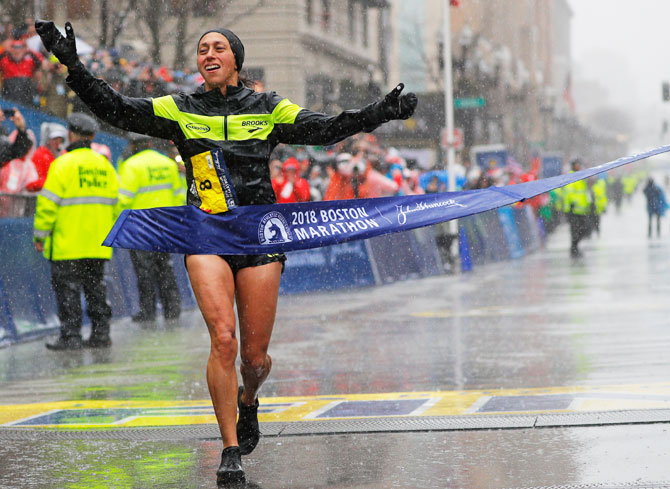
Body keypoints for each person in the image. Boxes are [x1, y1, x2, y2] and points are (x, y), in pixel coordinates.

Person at [35, 19, 416, 485]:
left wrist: (380, 112)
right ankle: (230, 447)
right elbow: (116, 109)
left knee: (254, 359)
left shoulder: (268, 106)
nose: (208, 54)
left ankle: (249, 399)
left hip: (258, 236)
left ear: (236, 58)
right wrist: (71, 64)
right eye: (202, 49)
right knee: (223, 339)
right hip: (206, 233)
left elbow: (325, 129)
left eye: (218, 48)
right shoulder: (179, 106)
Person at [33, 113, 118, 350]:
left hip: (67, 244)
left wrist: (40, 236)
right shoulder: (105, 166)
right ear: (92, 137)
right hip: (98, 244)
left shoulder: (62, 164)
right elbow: (116, 207)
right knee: (96, 289)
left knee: (68, 292)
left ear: (71, 134)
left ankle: (71, 337)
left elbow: (47, 206)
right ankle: (101, 335)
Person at [117, 133, 183, 322]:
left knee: (144, 271)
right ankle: (172, 307)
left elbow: (123, 200)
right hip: (164, 227)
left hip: (140, 229)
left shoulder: (131, 166)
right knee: (165, 268)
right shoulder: (168, 164)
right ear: (151, 143)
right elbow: (178, 195)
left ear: (131, 145)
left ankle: (148, 311)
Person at [0, 38, 45, 105]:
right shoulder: (5, 62)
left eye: (20, 50)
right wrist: (6, 50)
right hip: (8, 98)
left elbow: (40, 61)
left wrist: (29, 51)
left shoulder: (29, 63)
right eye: (14, 49)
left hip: (25, 99)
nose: (17, 52)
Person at [25, 122, 67, 192]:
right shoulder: (40, 154)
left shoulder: (64, 155)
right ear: (48, 140)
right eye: (54, 139)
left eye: (60, 140)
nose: (57, 143)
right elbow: (32, 182)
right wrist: (53, 182)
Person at [563, 159, 592, 258]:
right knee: (575, 231)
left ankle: (575, 248)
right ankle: (574, 249)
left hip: (581, 210)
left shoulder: (581, 177)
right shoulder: (571, 176)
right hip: (573, 210)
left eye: (579, 165)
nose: (578, 166)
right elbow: (569, 191)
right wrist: (572, 204)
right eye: (576, 165)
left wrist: (588, 205)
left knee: (583, 230)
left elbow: (583, 193)